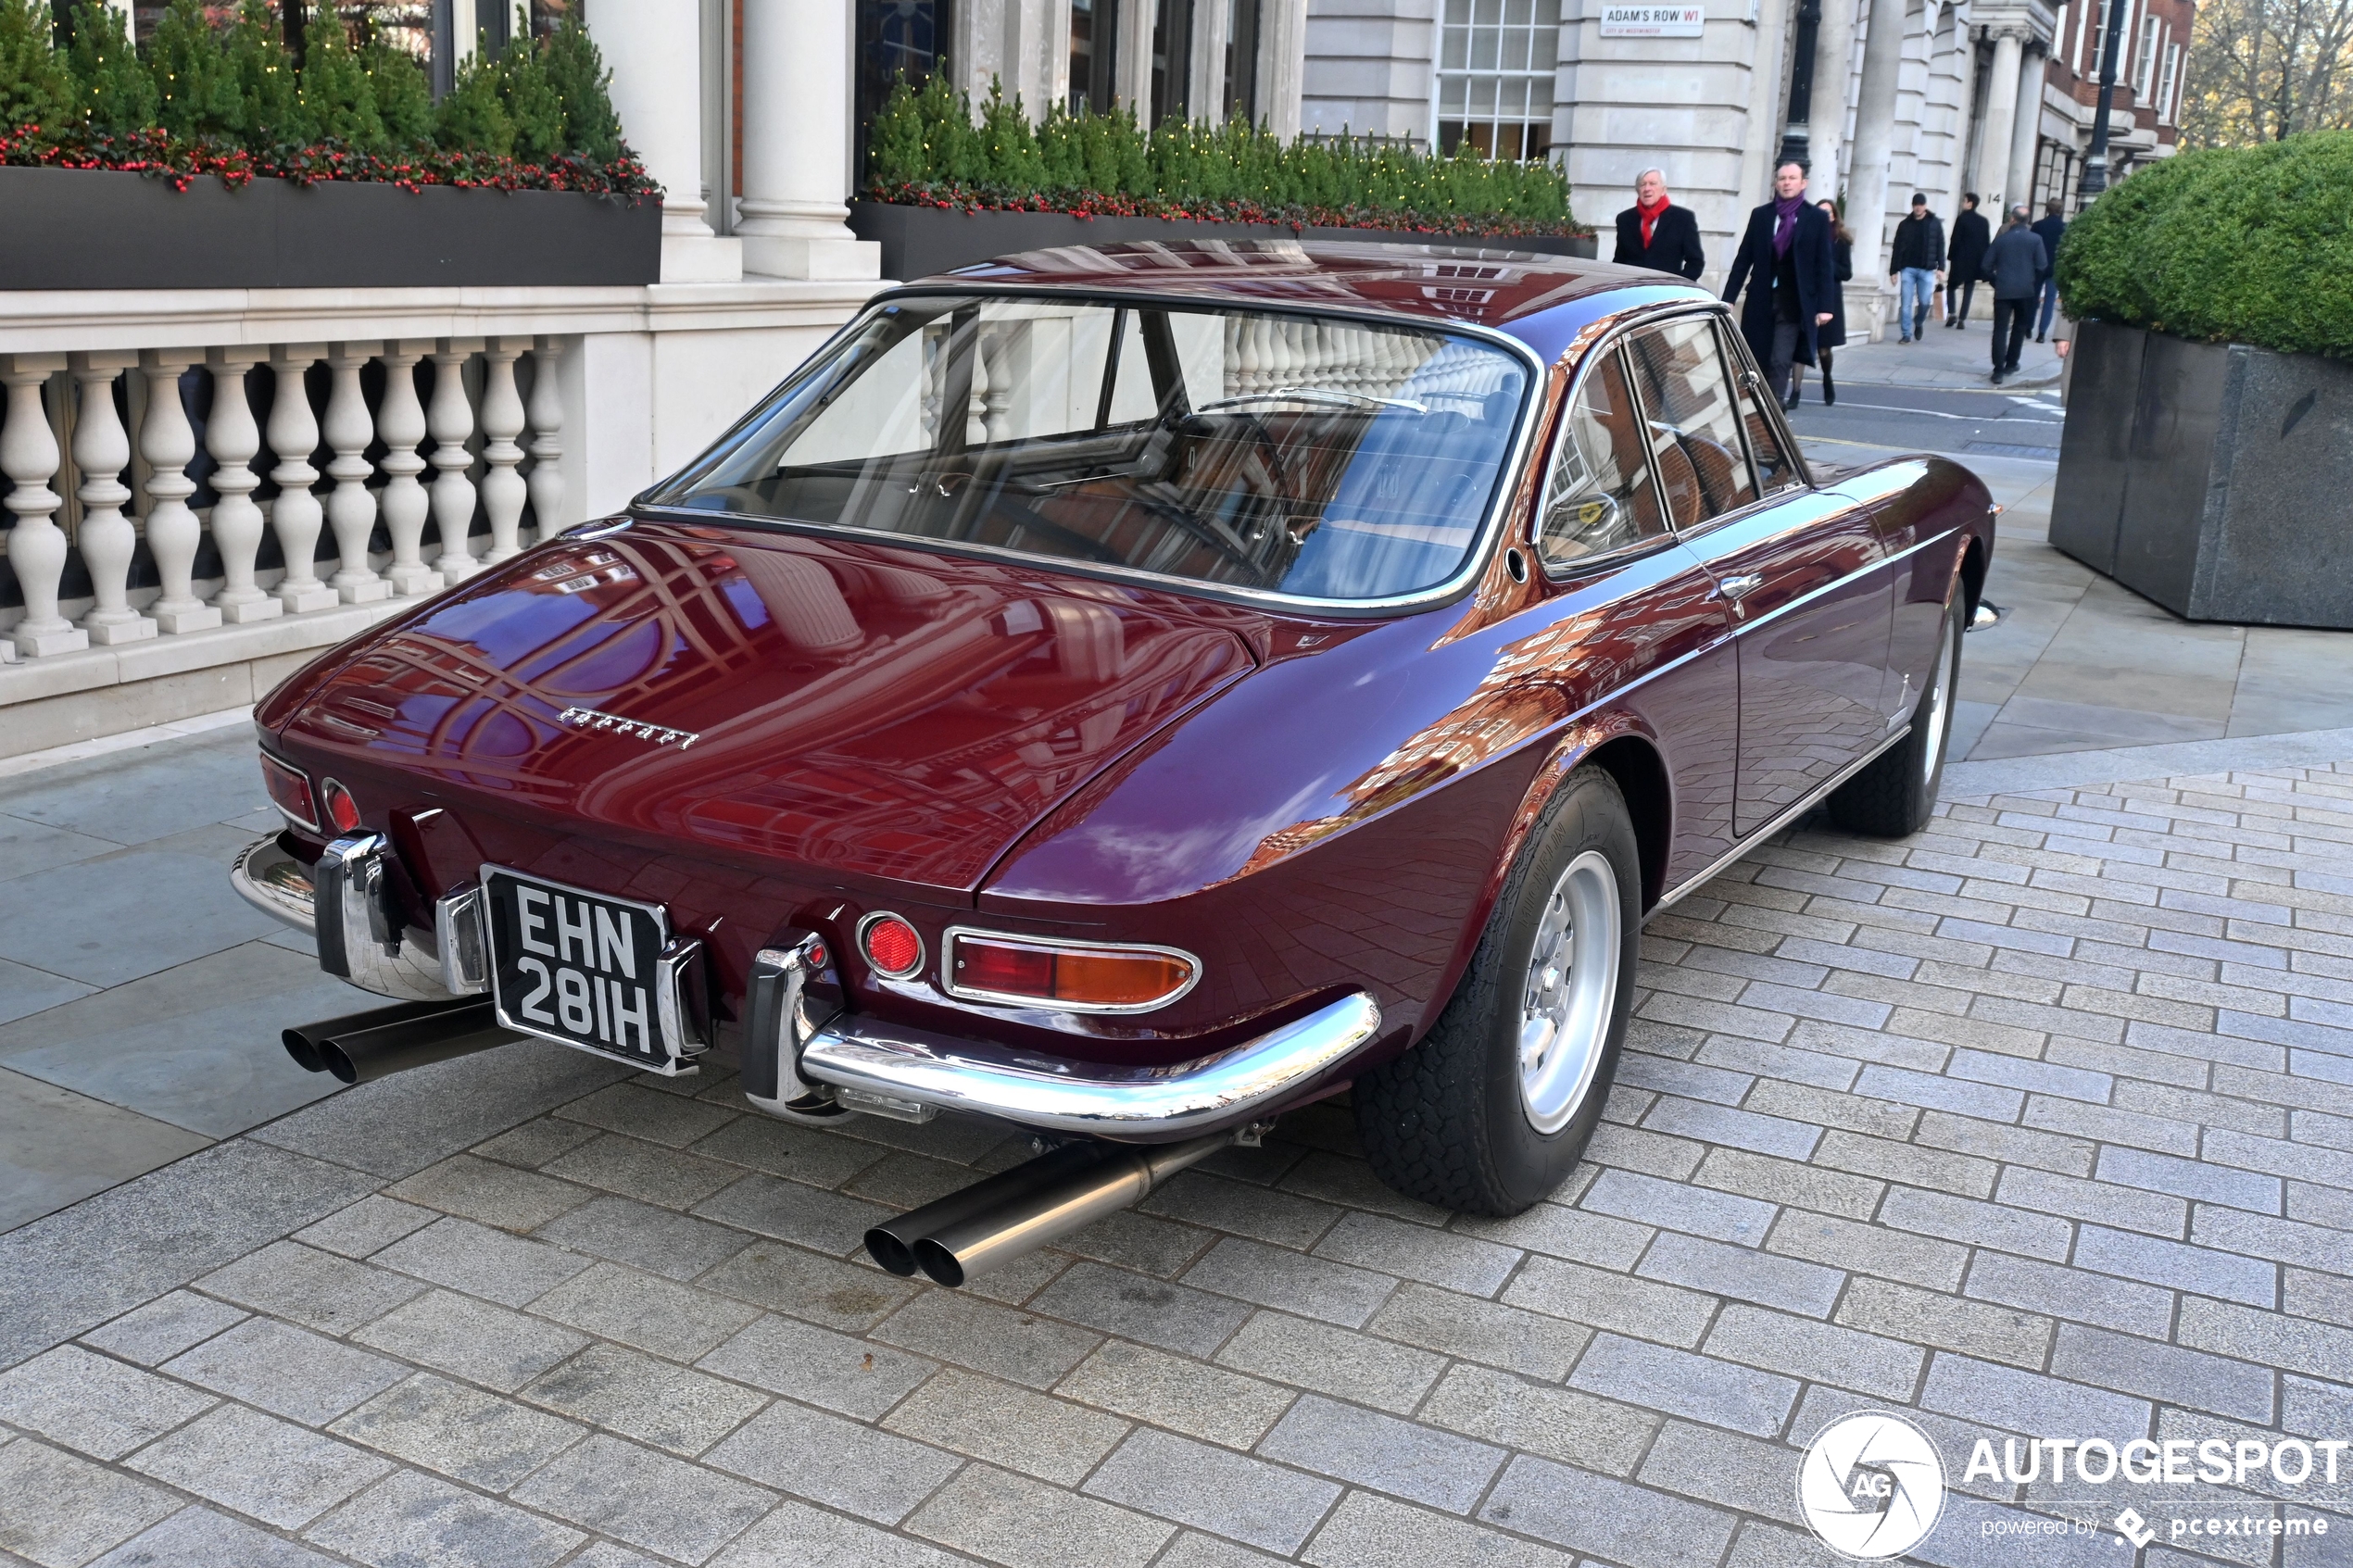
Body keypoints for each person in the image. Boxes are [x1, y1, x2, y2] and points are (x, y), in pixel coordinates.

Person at [1723, 161, 1839, 412]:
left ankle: (1774, 412)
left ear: (1803, 183)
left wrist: (1825, 307)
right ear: (1776, 183)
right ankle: (1759, 411)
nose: (1787, 183)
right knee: (1756, 361)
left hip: (1794, 304)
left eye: (1792, 178)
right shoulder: (1761, 215)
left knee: (1780, 360)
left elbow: (1824, 265)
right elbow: (1744, 259)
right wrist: (1728, 298)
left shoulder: (1816, 218)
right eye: (1782, 178)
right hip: (1761, 301)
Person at [1793, 199, 1852, 406]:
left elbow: (1847, 272)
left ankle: (1827, 378)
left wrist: (1826, 264)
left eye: (1828, 213)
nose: (1824, 216)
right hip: (1807, 295)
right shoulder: (1805, 235)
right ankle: (1795, 392)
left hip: (1829, 297)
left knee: (1824, 349)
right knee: (1799, 347)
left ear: (1834, 216)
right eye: (1821, 212)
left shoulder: (1840, 241)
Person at [1980, 204, 2048, 383]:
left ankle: (1998, 370)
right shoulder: (2036, 239)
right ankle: (2011, 363)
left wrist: (1996, 281)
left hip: (2003, 290)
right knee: (2019, 327)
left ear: (2012, 219)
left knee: (2000, 329)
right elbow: (2042, 266)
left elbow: (1985, 266)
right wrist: (2032, 282)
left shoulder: (2002, 240)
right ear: (2027, 221)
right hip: (2026, 291)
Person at [1613, 168, 1706, 281]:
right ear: (1638, 190)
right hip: (1632, 291)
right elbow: (1619, 261)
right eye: (1642, 185)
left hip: (1667, 291)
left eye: (1653, 184)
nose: (1647, 188)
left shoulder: (1683, 218)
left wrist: (1677, 285)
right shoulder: (1625, 219)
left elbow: (1695, 262)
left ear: (1663, 190)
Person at [1886, 192, 1946, 344]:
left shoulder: (1934, 223)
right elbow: (1897, 247)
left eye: (1921, 205)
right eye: (1915, 205)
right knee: (1906, 303)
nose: (1918, 208)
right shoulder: (1905, 224)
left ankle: (1919, 322)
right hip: (1908, 268)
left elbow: (1940, 245)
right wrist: (1893, 271)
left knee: (1925, 301)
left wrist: (1941, 267)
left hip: (1926, 269)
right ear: (1912, 206)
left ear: (1925, 206)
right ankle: (1906, 334)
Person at [1945, 194, 1990, 329]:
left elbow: (1955, 240)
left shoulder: (1961, 219)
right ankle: (1962, 319)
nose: (1962, 203)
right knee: (1968, 289)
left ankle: (1952, 312)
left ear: (1970, 203)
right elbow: (1985, 243)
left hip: (1960, 260)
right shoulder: (1983, 221)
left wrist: (1950, 256)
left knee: (1951, 286)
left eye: (1964, 201)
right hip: (1975, 261)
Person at [2032, 198, 2068, 341]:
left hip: (2038, 266)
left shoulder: (2038, 225)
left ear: (2047, 209)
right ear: (2060, 210)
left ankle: (2028, 327)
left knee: (2033, 298)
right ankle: (2042, 332)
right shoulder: (2065, 228)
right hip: (2055, 267)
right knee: (2049, 300)